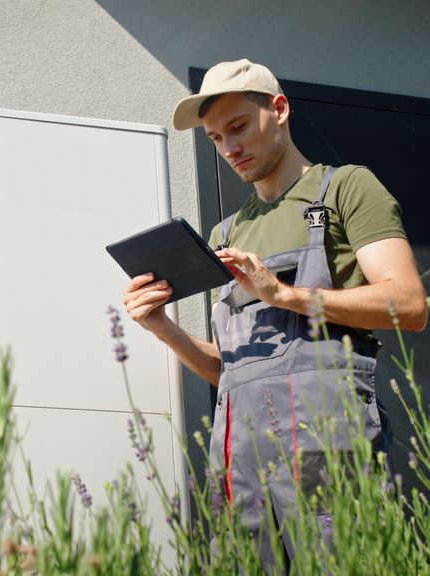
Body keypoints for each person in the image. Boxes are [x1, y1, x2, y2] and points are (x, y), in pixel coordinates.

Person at [123, 59, 427, 567]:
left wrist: (283, 294)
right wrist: (163, 328)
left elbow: (409, 305)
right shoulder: (225, 234)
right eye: (217, 139)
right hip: (239, 453)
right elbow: (232, 370)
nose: (229, 148)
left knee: (336, 559)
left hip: (321, 441)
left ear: (279, 109)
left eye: (238, 127)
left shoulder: (345, 188)